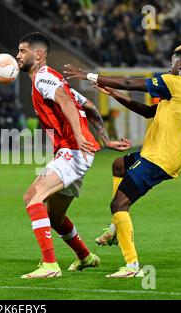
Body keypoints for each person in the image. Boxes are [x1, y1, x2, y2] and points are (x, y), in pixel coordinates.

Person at [64, 44, 181, 278]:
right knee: (119, 165)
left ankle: (131, 266)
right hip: (168, 156)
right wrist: (115, 95)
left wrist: (89, 76)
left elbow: (131, 83)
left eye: (171, 63)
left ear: (180, 65)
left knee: (118, 205)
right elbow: (150, 112)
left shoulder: (175, 82)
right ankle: (115, 227)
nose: (168, 67)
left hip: (158, 157)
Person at [16, 32, 131, 279]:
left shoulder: (43, 78)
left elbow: (67, 103)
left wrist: (79, 136)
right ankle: (86, 257)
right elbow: (88, 106)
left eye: (22, 51)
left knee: (34, 199)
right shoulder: (53, 79)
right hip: (75, 151)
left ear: (38, 55)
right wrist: (105, 139)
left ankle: (49, 266)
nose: (17, 55)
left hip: (73, 151)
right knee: (55, 217)